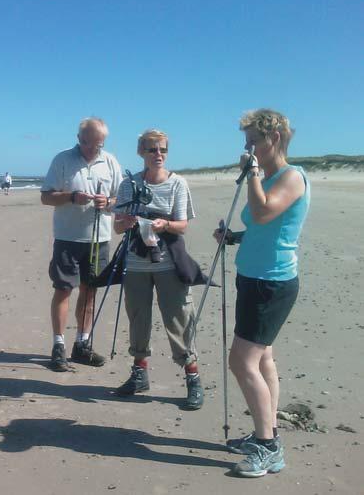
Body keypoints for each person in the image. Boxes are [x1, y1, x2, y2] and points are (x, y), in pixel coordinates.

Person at [214, 109, 310, 477]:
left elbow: (264, 211)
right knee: (263, 358)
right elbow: (260, 226)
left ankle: (268, 447)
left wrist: (252, 173)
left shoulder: (291, 177)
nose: (247, 146)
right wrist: (235, 237)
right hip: (252, 276)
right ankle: (267, 432)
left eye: (253, 139)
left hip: (272, 282)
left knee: (241, 361)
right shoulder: (269, 177)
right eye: (246, 140)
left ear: (275, 138)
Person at [112, 129, 204, 410]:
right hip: (136, 264)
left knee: (178, 318)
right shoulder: (128, 185)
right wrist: (126, 223)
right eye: (152, 150)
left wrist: (164, 225)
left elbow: (182, 225)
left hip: (168, 264)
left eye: (162, 149)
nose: (158, 154)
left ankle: (193, 378)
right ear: (141, 152)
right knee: (138, 318)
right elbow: (117, 226)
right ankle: (139, 373)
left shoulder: (178, 184)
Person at [41, 117, 122, 371]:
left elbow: (121, 198)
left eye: (98, 145)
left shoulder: (110, 161)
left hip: (100, 238)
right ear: (79, 139)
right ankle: (58, 345)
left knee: (90, 291)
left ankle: (82, 344)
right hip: (67, 237)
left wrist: (107, 203)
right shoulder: (62, 159)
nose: (93, 149)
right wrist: (72, 197)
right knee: (63, 289)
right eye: (88, 144)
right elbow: (46, 196)